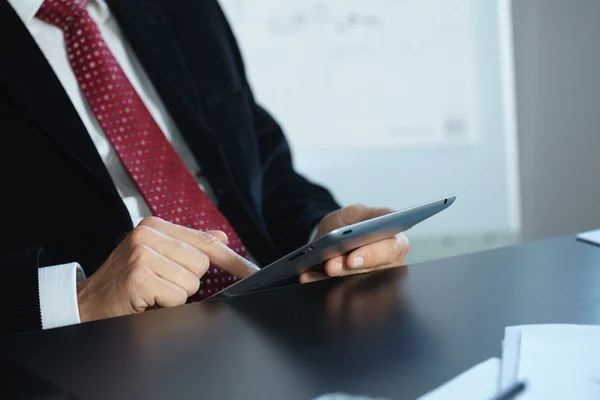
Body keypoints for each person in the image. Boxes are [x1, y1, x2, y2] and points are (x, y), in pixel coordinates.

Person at [0, 0, 410, 336]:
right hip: (96, 357)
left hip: (287, 327)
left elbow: (265, 171)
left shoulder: (186, 10)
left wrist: (325, 235)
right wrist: (80, 299)